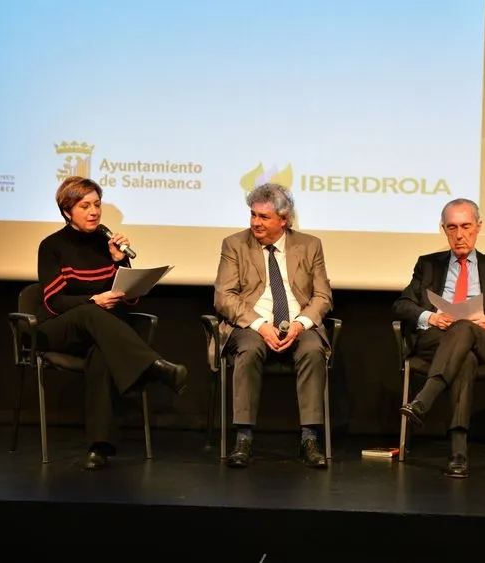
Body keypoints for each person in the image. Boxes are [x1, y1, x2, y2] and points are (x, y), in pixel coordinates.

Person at [35, 176, 188, 471]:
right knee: (93, 313)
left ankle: (99, 447)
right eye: (85, 206)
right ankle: (154, 366)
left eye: (97, 204)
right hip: (58, 328)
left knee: (102, 351)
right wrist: (93, 300)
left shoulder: (107, 245)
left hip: (98, 330)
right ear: (67, 211)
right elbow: (53, 301)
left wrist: (120, 262)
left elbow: (128, 301)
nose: (94, 211)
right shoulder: (52, 246)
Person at [394, 198, 485, 478]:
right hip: (437, 339)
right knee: (463, 358)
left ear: (478, 227)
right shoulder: (427, 265)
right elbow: (402, 305)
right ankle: (458, 454)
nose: (459, 235)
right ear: (443, 229)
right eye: (452, 227)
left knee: (466, 328)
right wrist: (429, 317)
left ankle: (424, 399)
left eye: (466, 226)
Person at [213, 183, 333, 469]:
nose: (256, 222)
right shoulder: (234, 244)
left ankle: (309, 439)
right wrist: (259, 324)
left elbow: (322, 296)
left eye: (264, 217)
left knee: (313, 350)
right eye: (253, 215)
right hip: (250, 325)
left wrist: (301, 324)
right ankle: (243, 438)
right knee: (250, 349)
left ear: (284, 219)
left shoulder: (309, 245)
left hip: (297, 323)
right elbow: (224, 296)